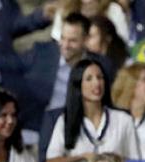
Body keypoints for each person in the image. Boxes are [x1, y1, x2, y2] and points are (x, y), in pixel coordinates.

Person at [44, 59, 138, 162]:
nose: (96, 83)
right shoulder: (66, 121)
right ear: (78, 85)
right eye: (89, 79)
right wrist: (80, 157)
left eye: (100, 77)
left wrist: (114, 161)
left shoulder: (123, 120)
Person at [21, 13, 117, 149]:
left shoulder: (102, 66)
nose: (65, 45)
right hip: (40, 130)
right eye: (62, 38)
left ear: (86, 40)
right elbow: (10, 68)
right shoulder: (41, 53)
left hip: (83, 135)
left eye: (72, 40)